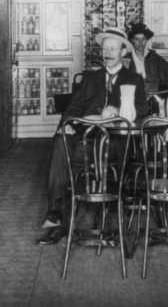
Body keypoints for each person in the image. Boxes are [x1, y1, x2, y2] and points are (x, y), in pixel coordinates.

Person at [37, 27, 147, 245]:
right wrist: (65, 124)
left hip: (116, 142)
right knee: (61, 144)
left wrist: (117, 109)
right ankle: (56, 215)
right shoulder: (91, 78)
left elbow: (143, 110)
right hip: (86, 139)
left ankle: (107, 210)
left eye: (113, 49)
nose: (108, 53)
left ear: (124, 52)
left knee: (92, 154)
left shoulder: (134, 79)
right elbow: (73, 106)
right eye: (105, 49)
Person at [126, 22, 168, 114]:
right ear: (132, 40)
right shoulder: (127, 59)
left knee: (155, 125)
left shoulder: (153, 57)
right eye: (137, 39)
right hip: (133, 103)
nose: (140, 43)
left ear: (147, 40)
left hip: (153, 103)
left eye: (143, 39)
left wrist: (161, 93)